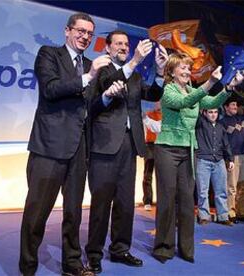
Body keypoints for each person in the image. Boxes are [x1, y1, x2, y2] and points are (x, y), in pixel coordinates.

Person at [19, 13, 112, 276]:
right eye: (80, 31)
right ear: (67, 31)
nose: (85, 37)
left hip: (79, 148)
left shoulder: (92, 65)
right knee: (37, 212)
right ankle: (27, 266)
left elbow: (89, 107)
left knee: (73, 212)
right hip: (49, 147)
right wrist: (88, 76)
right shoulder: (49, 54)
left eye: (89, 34)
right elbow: (50, 89)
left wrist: (104, 98)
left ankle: (72, 263)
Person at [85, 30, 168, 274]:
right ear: (108, 48)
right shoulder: (100, 69)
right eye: (118, 44)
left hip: (129, 146)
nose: (123, 47)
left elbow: (152, 94)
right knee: (101, 203)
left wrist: (161, 72)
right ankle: (94, 253)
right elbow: (106, 87)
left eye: (126, 44)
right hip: (104, 146)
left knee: (124, 203)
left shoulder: (134, 77)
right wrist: (134, 62)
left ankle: (120, 249)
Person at [152, 52, 244, 264]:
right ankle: (163, 248)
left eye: (188, 68)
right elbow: (185, 101)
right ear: (172, 72)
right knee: (167, 199)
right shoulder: (168, 90)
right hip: (167, 148)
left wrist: (229, 86)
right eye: (183, 68)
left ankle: (186, 249)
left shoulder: (194, 90)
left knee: (187, 201)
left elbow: (212, 101)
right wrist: (210, 81)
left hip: (189, 150)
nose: (187, 71)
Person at [195, 108, 235, 226]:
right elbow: (197, 111)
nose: (213, 115)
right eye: (210, 112)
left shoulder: (220, 127)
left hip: (219, 161)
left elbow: (226, 144)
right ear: (205, 113)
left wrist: (230, 159)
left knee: (221, 191)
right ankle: (203, 216)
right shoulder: (200, 123)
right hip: (203, 160)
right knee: (203, 191)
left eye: (215, 112)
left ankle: (223, 216)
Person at [141, 101, 162, 211]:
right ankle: (147, 200)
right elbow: (146, 127)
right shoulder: (148, 114)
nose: (159, 104)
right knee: (148, 174)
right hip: (149, 145)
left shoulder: (166, 115)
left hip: (161, 146)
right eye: (158, 102)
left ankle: (162, 200)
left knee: (162, 175)